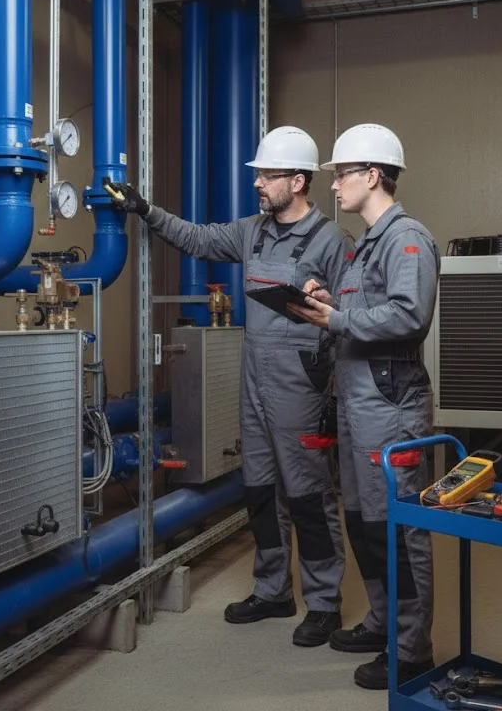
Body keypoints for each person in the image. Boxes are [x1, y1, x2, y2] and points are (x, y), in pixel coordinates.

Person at [108, 126, 354, 647]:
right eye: (259, 175)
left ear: (299, 180)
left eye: (268, 175)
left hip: (302, 387)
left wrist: (335, 392)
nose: (259, 184)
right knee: (260, 491)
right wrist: (146, 210)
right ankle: (272, 591)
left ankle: (325, 602)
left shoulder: (332, 241)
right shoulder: (253, 231)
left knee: (309, 496)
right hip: (255, 383)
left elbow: (353, 316)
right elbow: (197, 238)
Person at [288, 123, 440, 689]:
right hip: (357, 406)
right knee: (364, 523)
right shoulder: (364, 247)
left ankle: (413, 649)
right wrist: (329, 302)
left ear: (372, 175)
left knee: (399, 529)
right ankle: (382, 622)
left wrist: (339, 317)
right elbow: (362, 313)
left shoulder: (407, 239)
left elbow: (409, 313)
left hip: (389, 407)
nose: (333, 186)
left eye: (341, 174)